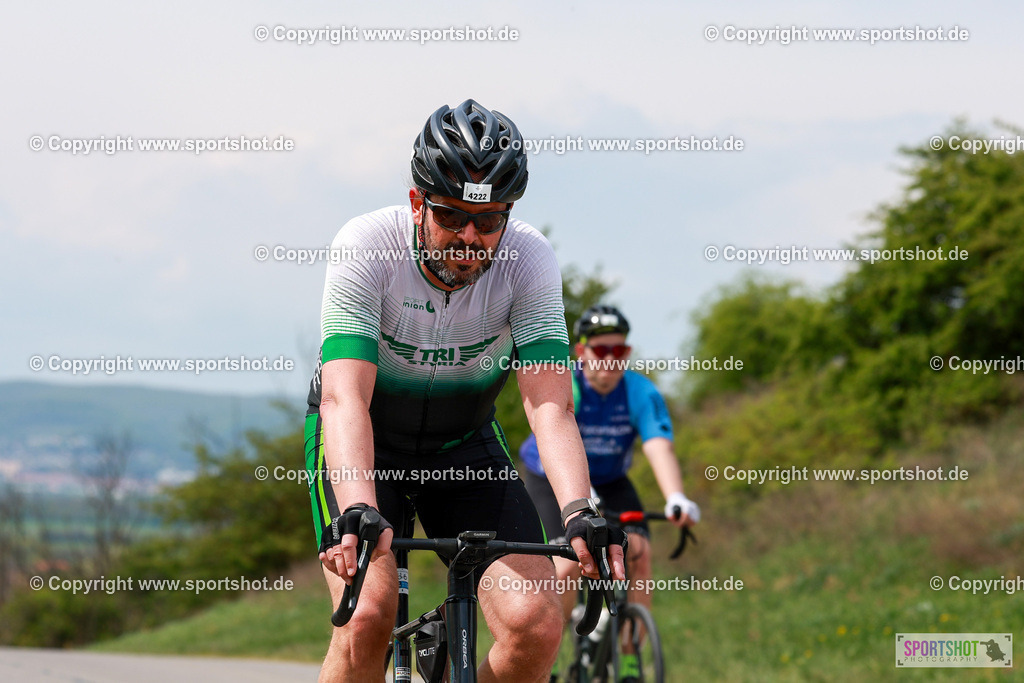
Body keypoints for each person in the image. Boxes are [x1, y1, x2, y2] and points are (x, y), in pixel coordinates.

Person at [302, 100, 625, 683]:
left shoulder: (529, 260)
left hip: (464, 446)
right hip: (367, 444)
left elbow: (548, 402)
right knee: (368, 617)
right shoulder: (366, 247)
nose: (470, 237)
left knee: (537, 625)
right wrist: (356, 507)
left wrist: (581, 510)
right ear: (416, 204)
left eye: (489, 220)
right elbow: (344, 397)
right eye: (451, 216)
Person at [519, 304, 700, 682]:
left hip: (612, 481)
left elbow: (658, 445)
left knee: (640, 551)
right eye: (602, 350)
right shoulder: (568, 383)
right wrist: (580, 497)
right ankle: (548, 661)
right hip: (552, 479)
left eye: (620, 351)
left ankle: (630, 657)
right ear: (581, 351)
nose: (612, 360)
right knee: (568, 561)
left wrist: (676, 497)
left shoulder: (639, 391)